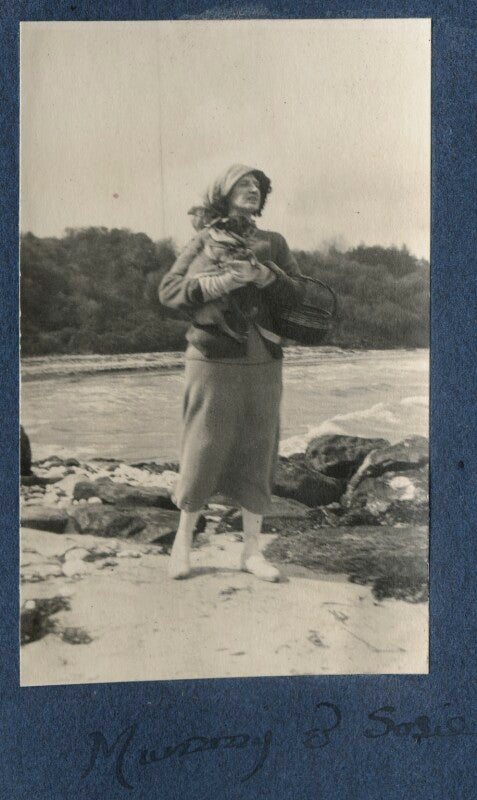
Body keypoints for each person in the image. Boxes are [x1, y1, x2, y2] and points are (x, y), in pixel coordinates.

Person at [159, 164, 304, 581]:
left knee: (259, 451)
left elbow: (299, 292)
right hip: (212, 356)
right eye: (244, 184)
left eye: (258, 186)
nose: (253, 189)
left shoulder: (273, 242)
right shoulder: (203, 238)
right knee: (203, 447)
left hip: (264, 358)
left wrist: (262, 274)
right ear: (223, 193)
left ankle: (251, 553)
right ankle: (182, 545)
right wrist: (218, 284)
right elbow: (169, 290)